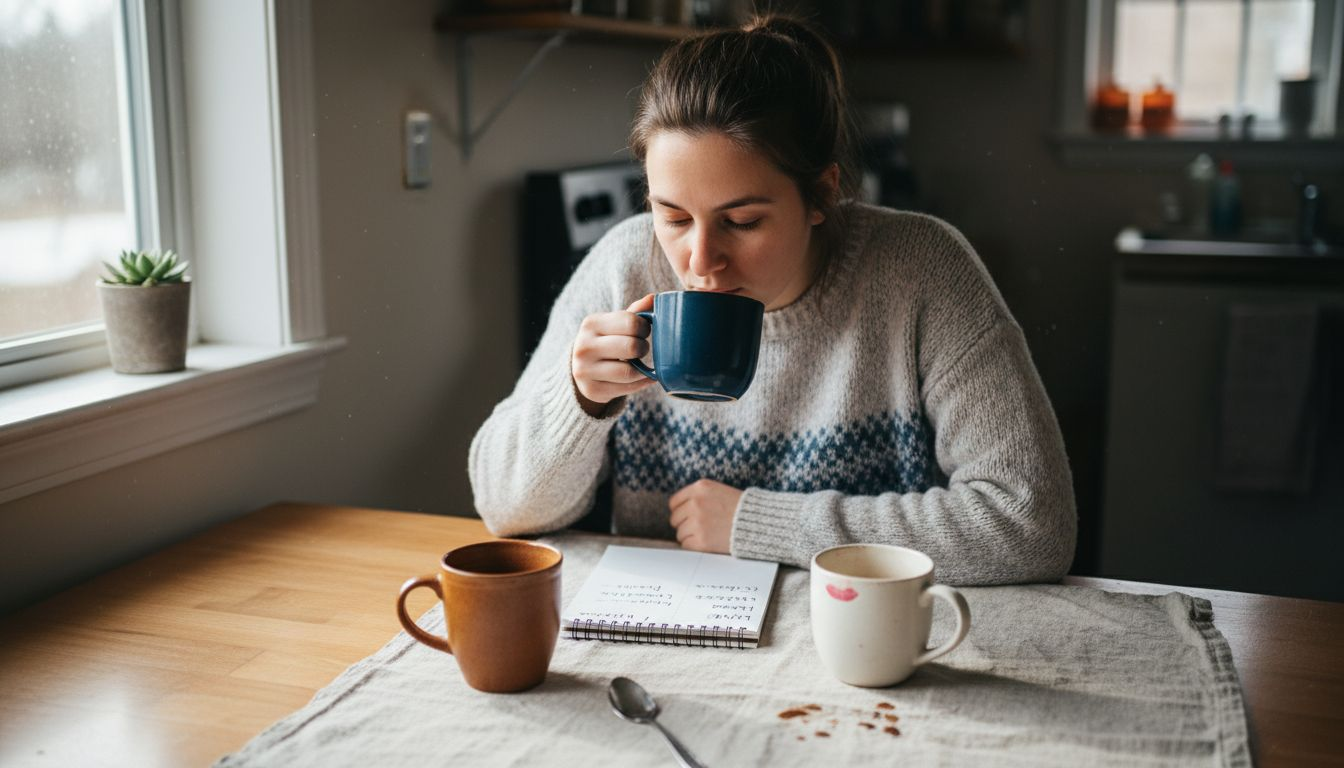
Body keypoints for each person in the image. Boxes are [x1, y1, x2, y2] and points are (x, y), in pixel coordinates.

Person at [469, 15, 1076, 585]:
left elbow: (1030, 525)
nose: (700, 261)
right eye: (673, 216)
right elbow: (501, 509)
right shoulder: (625, 265)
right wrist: (579, 402)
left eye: (742, 221)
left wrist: (763, 526)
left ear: (821, 195)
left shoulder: (922, 270)